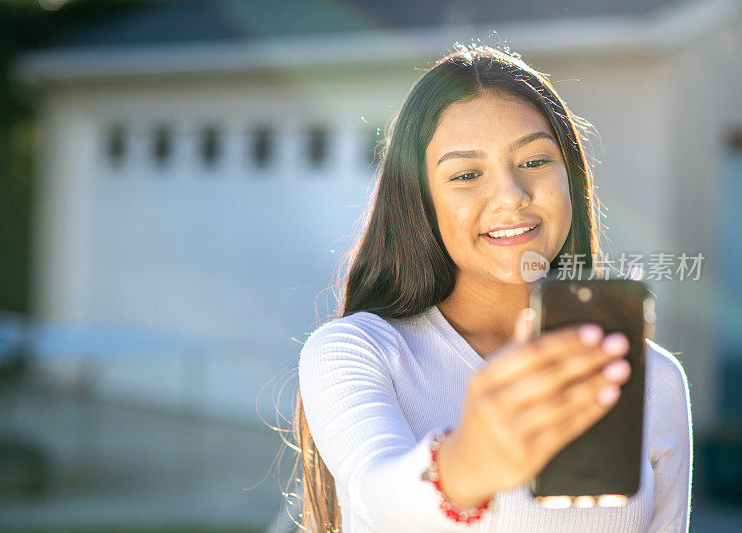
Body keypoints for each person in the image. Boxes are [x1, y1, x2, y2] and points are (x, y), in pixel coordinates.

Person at [290, 44, 692, 532]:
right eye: (465, 174)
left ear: (571, 177)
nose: (510, 196)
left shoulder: (655, 379)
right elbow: (375, 497)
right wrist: (466, 463)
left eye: (535, 161)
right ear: (420, 201)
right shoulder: (356, 353)